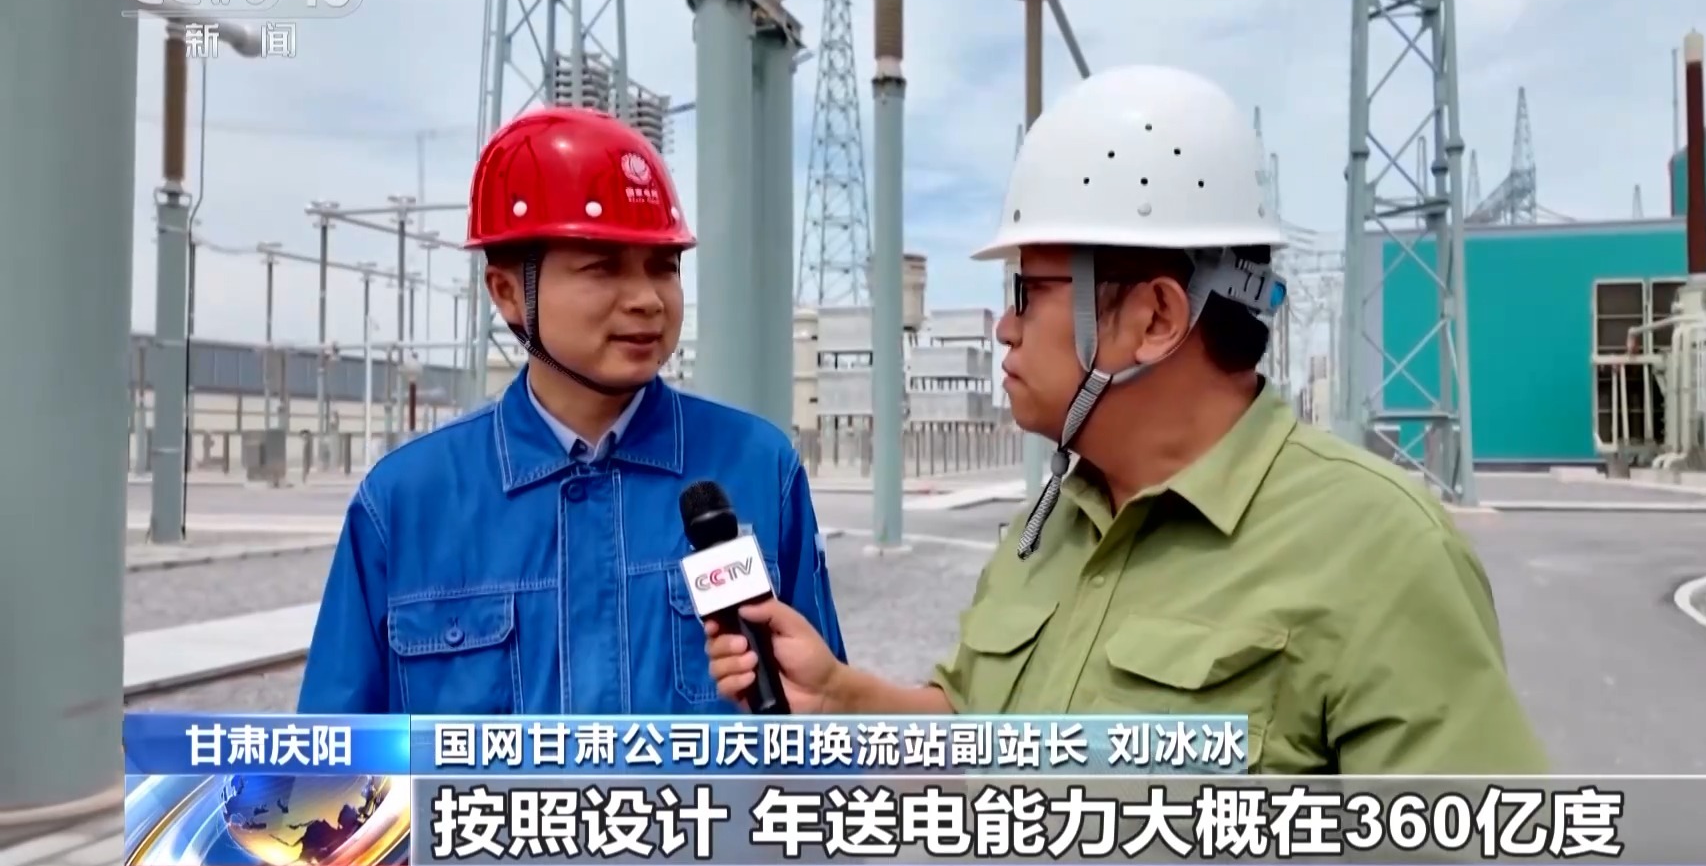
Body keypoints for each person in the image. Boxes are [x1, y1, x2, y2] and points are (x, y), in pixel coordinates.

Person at [705, 65, 1548, 774]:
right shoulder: (1052, 527)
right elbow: (975, 725)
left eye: (1028, 292)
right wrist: (843, 696)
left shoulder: (1379, 554)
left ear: (1156, 317)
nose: (1005, 328)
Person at [299, 106, 846, 715]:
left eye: (664, 267)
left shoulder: (759, 468)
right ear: (508, 292)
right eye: (602, 266)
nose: (647, 299)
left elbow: (830, 721)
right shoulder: (404, 503)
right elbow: (334, 760)